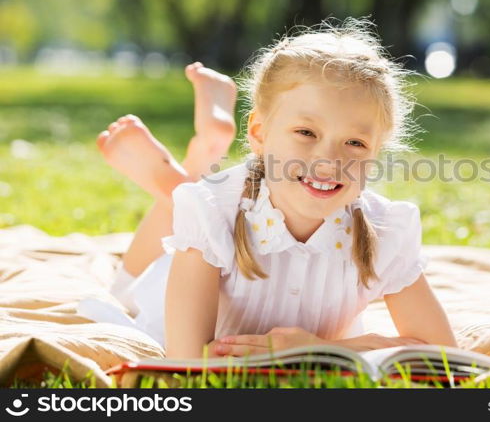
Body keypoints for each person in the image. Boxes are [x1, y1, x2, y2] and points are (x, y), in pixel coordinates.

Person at [78, 18, 457, 359]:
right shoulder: (212, 213)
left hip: (222, 202)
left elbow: (443, 358)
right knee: (126, 287)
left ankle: (196, 163)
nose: (329, 161)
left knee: (197, 200)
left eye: (355, 143)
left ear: (376, 153)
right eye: (306, 132)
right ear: (259, 133)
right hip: (180, 272)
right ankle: (185, 172)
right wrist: (352, 348)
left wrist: (320, 349)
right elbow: (188, 365)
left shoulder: (385, 231)